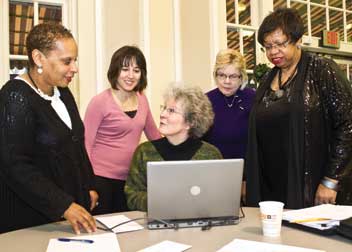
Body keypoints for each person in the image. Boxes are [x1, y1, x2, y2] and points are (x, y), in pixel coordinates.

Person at [245, 8, 352, 209]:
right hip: (271, 186)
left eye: (280, 44)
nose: (273, 52)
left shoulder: (322, 70)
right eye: (267, 46)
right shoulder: (268, 78)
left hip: (309, 184)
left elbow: (348, 126)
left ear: (298, 40)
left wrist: (331, 180)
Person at [0, 23, 97, 234]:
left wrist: (89, 184)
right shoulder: (15, 97)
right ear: (38, 58)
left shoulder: (63, 91)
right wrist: (64, 205)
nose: (75, 68)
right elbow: (15, 165)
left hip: (66, 217)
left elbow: (76, 143)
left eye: (75, 60)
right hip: (31, 221)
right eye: (66, 61)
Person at [84, 46, 161, 214]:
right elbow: (85, 145)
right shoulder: (99, 102)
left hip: (130, 180)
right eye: (125, 69)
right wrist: (88, 185)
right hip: (100, 179)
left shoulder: (142, 99)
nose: (130, 75)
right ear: (115, 71)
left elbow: (155, 137)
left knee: (128, 231)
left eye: (136, 70)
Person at [125, 84, 223, 211]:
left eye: (171, 111)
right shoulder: (144, 152)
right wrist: (161, 202)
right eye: (164, 108)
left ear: (190, 122)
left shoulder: (210, 155)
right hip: (155, 225)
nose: (162, 114)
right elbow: (132, 195)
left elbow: (219, 196)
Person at [203, 49, 255, 159]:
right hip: (215, 166)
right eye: (222, 75)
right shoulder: (205, 101)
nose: (227, 81)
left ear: (242, 77)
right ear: (215, 75)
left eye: (233, 76)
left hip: (248, 168)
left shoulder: (253, 99)